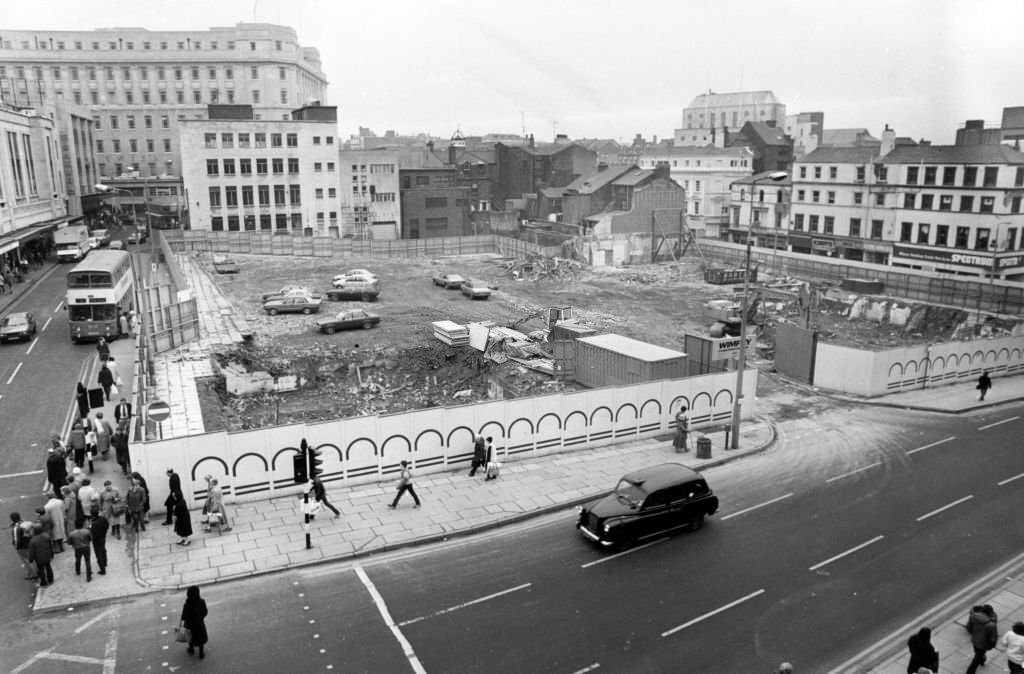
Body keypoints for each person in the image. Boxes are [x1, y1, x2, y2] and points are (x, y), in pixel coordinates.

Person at [965, 604, 998, 674]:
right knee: (976, 658)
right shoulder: (991, 625)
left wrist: (973, 634)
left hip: (975, 640)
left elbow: (968, 627)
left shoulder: (973, 616)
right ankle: (970, 671)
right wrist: (992, 645)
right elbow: (993, 638)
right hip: (984, 644)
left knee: (977, 653)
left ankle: (982, 659)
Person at [180, 585, 209, 659]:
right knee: (200, 639)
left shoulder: (187, 605)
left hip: (190, 625)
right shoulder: (202, 601)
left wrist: (182, 625)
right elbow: (205, 612)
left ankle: (191, 649)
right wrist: (201, 618)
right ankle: (201, 653)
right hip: (199, 624)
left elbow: (184, 616)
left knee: (190, 638)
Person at [9, 512, 36, 580]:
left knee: (26, 560)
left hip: (22, 547)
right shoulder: (27, 523)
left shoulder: (16, 528)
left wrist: (16, 546)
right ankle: (35, 571)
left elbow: (17, 540)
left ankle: (33, 574)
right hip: (31, 543)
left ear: (12, 519)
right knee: (32, 558)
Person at [89, 505, 109, 575]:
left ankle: (102, 570)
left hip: (96, 539)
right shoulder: (103, 519)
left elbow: (90, 530)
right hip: (103, 537)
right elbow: (107, 525)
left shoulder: (92, 523)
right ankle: (105, 562)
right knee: (103, 549)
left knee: (98, 554)